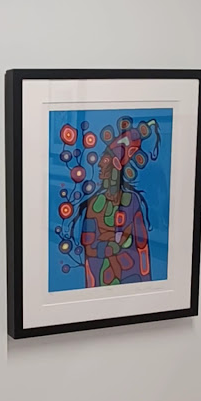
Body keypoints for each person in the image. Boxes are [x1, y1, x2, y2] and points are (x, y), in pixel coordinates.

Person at [79, 117, 155, 287]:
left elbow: (142, 245)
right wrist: (107, 248)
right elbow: (88, 245)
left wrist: (147, 285)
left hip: (129, 276)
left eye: (105, 160)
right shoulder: (94, 204)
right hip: (101, 279)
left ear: (116, 165)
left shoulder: (131, 201)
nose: (99, 164)